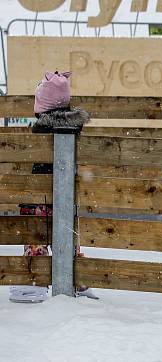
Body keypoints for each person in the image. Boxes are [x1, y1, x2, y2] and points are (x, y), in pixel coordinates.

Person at [9, 71, 96, 303]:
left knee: (36, 232)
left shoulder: (40, 131)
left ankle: (35, 280)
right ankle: (78, 279)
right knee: (67, 233)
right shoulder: (75, 128)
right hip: (66, 196)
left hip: (40, 195)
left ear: (41, 107)